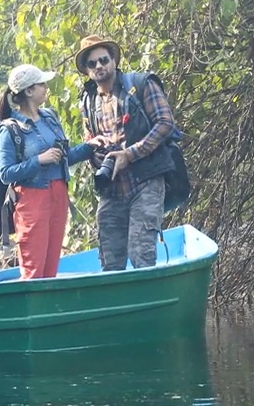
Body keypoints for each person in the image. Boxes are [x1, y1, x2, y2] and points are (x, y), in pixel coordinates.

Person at [74, 35, 179, 271]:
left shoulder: (140, 84)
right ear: (87, 71)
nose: (99, 66)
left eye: (103, 60)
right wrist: (96, 149)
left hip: (145, 181)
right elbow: (88, 138)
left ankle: (149, 306)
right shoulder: (88, 102)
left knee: (141, 253)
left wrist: (129, 154)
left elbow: (164, 123)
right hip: (111, 188)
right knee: (110, 259)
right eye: (92, 63)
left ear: (113, 60)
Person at [0, 63, 105, 279]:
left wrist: (90, 146)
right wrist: (38, 160)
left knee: (51, 265)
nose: (46, 87)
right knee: (33, 268)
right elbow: (5, 173)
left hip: (59, 194)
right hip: (31, 199)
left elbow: (64, 158)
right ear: (29, 91)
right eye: (41, 84)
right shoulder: (10, 129)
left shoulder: (49, 117)